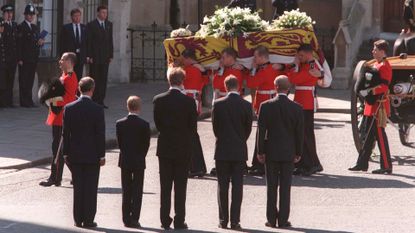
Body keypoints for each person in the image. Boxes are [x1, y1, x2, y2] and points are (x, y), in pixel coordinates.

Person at [153, 67, 198, 230]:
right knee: (180, 186)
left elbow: (157, 123)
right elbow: (193, 127)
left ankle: (165, 219)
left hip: (165, 146)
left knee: (165, 186)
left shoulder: (158, 99)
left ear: (169, 80)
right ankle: (180, 220)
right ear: (182, 81)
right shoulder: (188, 101)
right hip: (182, 147)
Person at [257, 75, 304, 228]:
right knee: (285, 187)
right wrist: (298, 152)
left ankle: (271, 219)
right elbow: (299, 133)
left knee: (271, 187)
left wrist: (260, 150)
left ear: (275, 87)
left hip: (271, 150)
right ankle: (283, 220)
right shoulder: (296, 108)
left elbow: (261, 131)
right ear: (288, 88)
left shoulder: (265, 106)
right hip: (288, 151)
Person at [63, 77, 106, 228]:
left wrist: (65, 153)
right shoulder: (97, 109)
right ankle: (88, 219)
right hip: (92, 154)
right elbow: (100, 134)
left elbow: (65, 133)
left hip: (75, 153)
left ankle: (77, 219)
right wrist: (102, 155)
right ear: (92, 89)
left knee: (78, 187)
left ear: (79, 89)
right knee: (90, 188)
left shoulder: (69, 108)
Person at [212, 75, 253, 230]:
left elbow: (215, 128)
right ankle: (235, 221)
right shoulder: (246, 105)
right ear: (239, 86)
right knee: (238, 186)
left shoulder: (218, 104)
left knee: (222, 187)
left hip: (222, 149)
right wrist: (241, 140)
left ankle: (223, 220)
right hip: (239, 149)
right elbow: (248, 129)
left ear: (225, 86)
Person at [349, 40, 393, 174]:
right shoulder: (376, 64)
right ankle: (362, 164)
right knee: (367, 137)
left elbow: (384, 86)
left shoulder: (385, 65)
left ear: (382, 51)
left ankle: (386, 165)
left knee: (380, 136)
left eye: (375, 49)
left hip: (378, 106)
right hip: (371, 105)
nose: (373, 51)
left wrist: (369, 91)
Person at [39, 52, 78, 187]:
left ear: (69, 62)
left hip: (62, 117)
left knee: (58, 149)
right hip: (58, 116)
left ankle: (55, 178)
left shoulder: (70, 78)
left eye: (62, 60)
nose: (60, 61)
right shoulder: (65, 76)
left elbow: (68, 99)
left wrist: (50, 100)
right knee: (61, 149)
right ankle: (74, 175)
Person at [247, 45, 285, 176]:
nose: (254, 59)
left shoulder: (265, 70)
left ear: (263, 57)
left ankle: (260, 164)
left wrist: (252, 69)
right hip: (265, 102)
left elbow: (251, 83)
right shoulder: (269, 68)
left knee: (262, 135)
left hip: (265, 104)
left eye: (256, 56)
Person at [287, 43, 324, 176]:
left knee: (306, 135)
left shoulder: (312, 65)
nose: (299, 57)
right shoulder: (304, 65)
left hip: (306, 103)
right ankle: (304, 163)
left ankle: (312, 163)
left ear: (308, 54)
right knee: (301, 134)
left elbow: (293, 79)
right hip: (300, 101)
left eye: (301, 55)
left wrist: (295, 66)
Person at [116, 96, 150, 228]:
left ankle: (125, 218)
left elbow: (120, 142)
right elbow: (146, 144)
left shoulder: (120, 123)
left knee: (126, 189)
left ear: (127, 106)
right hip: (138, 160)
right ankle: (135, 218)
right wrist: (141, 156)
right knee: (137, 190)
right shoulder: (144, 124)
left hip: (125, 159)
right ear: (139, 107)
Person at [180, 49, 208, 177]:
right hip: (195, 103)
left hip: (188, 104)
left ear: (187, 58)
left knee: (190, 136)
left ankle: (196, 167)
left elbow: (175, 79)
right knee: (191, 135)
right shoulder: (200, 69)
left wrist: (171, 66)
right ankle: (197, 166)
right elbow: (206, 80)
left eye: (183, 59)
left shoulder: (188, 70)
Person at [17, 4, 44, 107]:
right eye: (29, 14)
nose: (31, 16)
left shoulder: (35, 27)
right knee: (23, 80)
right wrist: (19, 58)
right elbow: (19, 44)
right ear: (25, 15)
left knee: (30, 80)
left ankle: (29, 100)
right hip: (24, 59)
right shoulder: (21, 27)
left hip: (33, 58)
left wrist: (41, 42)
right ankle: (24, 101)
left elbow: (36, 42)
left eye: (32, 14)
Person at [86, 5, 113, 108]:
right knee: (94, 78)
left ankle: (101, 100)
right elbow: (89, 41)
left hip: (105, 56)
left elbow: (110, 40)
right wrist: (89, 55)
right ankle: (94, 99)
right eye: (102, 12)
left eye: (105, 13)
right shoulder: (91, 25)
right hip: (95, 56)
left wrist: (111, 54)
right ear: (98, 13)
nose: (104, 15)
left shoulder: (108, 24)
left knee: (103, 78)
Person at [60, 8, 87, 82]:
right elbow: (62, 43)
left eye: (79, 16)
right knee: (69, 76)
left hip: (81, 57)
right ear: (71, 17)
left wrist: (87, 56)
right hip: (70, 57)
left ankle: (77, 93)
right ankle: (70, 92)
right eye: (75, 16)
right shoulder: (66, 28)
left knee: (79, 77)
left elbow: (86, 43)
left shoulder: (84, 27)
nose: (77, 18)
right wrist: (63, 57)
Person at [1, 4, 18, 108]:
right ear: (3, 14)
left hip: (12, 58)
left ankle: (9, 101)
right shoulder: (1, 25)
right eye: (7, 13)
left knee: (11, 80)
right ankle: (3, 102)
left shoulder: (14, 25)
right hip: (3, 58)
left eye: (11, 13)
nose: (9, 15)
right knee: (3, 81)